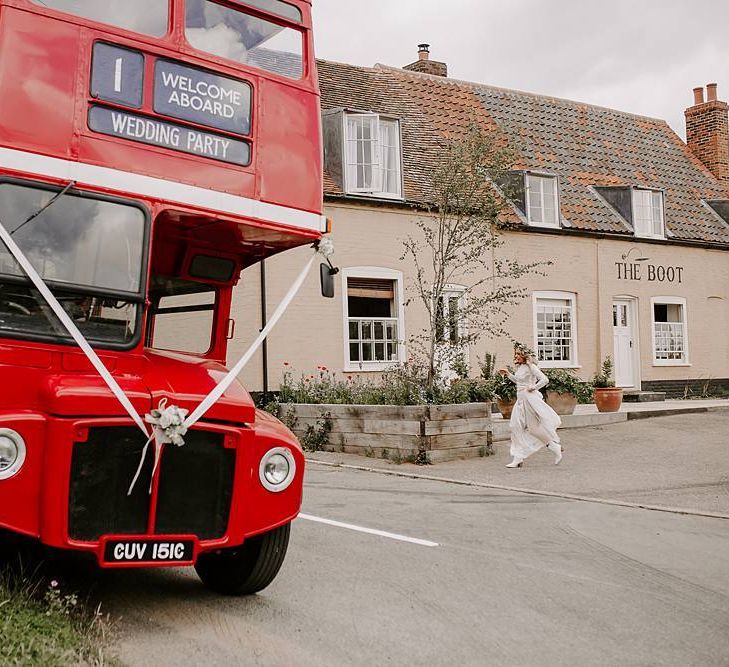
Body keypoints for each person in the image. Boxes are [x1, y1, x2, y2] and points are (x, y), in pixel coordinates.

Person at [499, 343, 562, 468]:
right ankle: (518, 458)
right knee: (516, 426)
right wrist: (508, 374)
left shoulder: (531, 367)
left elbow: (544, 379)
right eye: (515, 354)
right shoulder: (520, 367)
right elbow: (519, 381)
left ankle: (555, 447)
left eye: (518, 354)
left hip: (529, 400)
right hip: (521, 399)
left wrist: (534, 387)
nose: (516, 356)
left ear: (524, 355)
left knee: (533, 429)